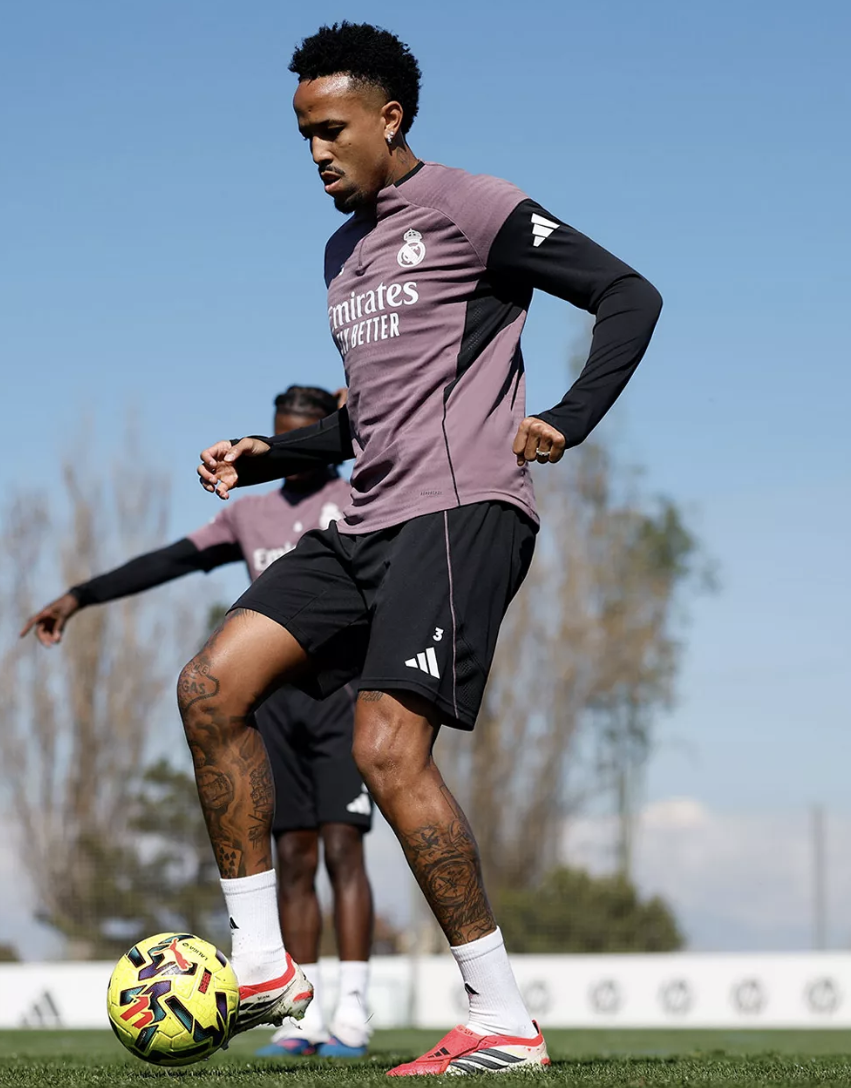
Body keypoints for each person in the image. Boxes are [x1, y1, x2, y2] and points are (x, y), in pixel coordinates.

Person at [183, 23, 663, 1076]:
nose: (316, 152)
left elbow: (630, 295)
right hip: (364, 517)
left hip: (462, 509)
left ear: (389, 118)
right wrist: (270, 455)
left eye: (330, 129)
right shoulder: (339, 252)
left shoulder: (473, 205)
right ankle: (261, 964)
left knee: (386, 750)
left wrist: (568, 417)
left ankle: (501, 1018)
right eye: (302, 135)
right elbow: (370, 417)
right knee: (211, 688)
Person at [23, 386, 375, 1057]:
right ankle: (301, 1014)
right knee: (294, 856)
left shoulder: (357, 495)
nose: (286, 449)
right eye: (277, 436)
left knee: (342, 849)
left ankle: (353, 1011)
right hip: (274, 702)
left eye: (301, 436)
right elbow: (170, 560)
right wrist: (80, 597)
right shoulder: (250, 513)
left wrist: (356, 408)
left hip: (344, 695)